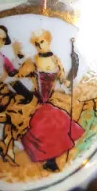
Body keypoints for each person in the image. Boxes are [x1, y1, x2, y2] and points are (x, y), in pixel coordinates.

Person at [18, 30, 84, 171]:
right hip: (37, 100)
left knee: (60, 119)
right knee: (48, 120)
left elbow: (65, 82)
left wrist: (74, 67)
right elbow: (18, 77)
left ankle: (51, 159)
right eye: (36, 43)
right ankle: (49, 159)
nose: (39, 45)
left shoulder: (56, 60)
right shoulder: (32, 61)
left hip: (52, 99)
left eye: (42, 41)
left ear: (48, 41)